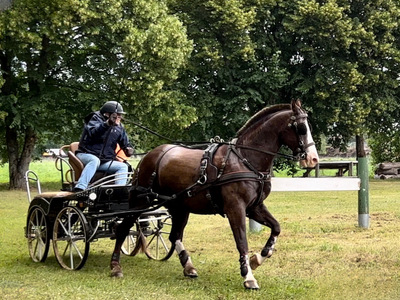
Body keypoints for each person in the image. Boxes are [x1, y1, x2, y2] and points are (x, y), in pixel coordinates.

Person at [74, 101, 134, 192]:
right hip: (85, 154)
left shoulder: (119, 127)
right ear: (107, 114)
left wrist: (128, 149)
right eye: (117, 115)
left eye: (120, 115)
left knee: (123, 167)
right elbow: (93, 133)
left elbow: (125, 143)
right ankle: (80, 188)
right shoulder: (94, 119)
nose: (119, 117)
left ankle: (118, 192)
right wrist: (107, 124)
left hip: (104, 161)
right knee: (95, 160)